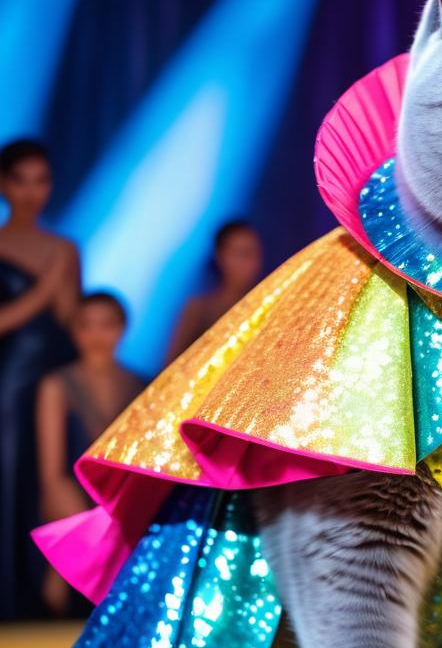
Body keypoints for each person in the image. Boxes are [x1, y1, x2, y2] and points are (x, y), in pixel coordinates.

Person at [0, 139, 79, 619]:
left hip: (47, 379)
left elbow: (69, 320)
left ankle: (42, 597)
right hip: (5, 379)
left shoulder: (63, 248)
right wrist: (47, 285)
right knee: (7, 475)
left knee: (45, 479)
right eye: (21, 181)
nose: (33, 192)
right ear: (5, 185)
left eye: (41, 181)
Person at [35, 292, 145, 616]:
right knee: (64, 499)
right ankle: (60, 584)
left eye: (106, 325)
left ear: (122, 328)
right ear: (74, 330)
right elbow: (51, 473)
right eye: (86, 326)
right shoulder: (56, 385)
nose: (96, 335)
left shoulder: (139, 383)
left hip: (124, 496)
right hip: (71, 500)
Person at [165, 220, 263, 362]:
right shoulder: (198, 309)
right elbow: (172, 367)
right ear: (221, 256)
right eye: (241, 253)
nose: (248, 261)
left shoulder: (268, 306)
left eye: (253, 253)